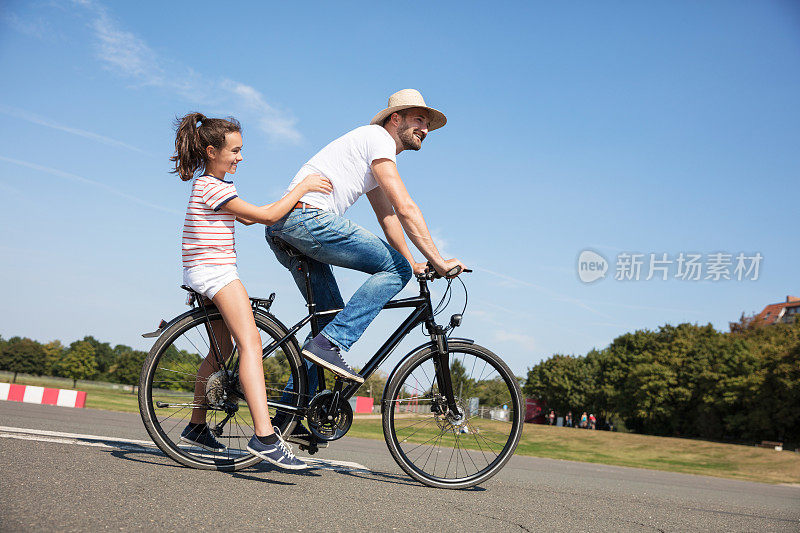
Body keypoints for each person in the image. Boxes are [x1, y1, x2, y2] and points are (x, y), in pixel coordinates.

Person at [266, 89, 467, 445]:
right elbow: (406, 207)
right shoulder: (377, 139)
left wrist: (412, 261)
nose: (424, 128)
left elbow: (387, 215)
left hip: (287, 226)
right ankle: (332, 344)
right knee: (342, 328)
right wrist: (436, 260)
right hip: (307, 220)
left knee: (326, 326)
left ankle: (285, 420)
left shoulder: (373, 154)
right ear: (395, 119)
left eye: (427, 123)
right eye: (417, 119)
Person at [173, 112, 333, 470]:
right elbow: (263, 216)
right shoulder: (211, 187)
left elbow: (250, 215)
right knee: (252, 345)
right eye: (235, 150)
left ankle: (197, 426)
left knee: (224, 347)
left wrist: (287, 203)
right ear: (212, 151)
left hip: (204, 272)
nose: (240, 157)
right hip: (216, 273)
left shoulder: (215, 187)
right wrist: (302, 188)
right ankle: (265, 437)